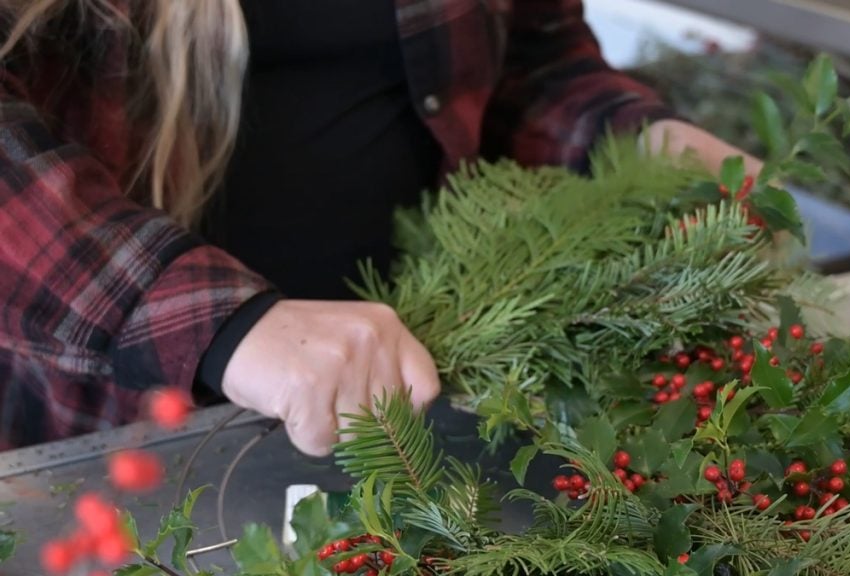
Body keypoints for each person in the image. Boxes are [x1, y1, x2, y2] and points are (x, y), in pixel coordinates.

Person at [0, 0, 758, 456]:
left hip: (430, 381)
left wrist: (633, 139)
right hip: (120, 417)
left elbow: (532, 56)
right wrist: (216, 324)